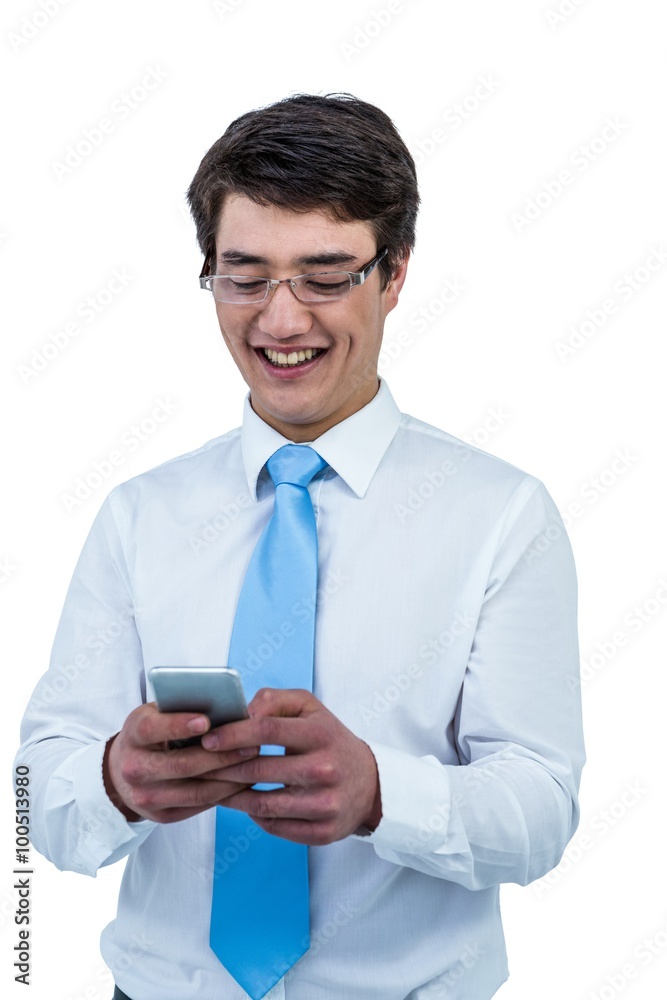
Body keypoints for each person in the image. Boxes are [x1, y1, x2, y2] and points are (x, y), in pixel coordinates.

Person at [16, 93, 585, 1000]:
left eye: (324, 277)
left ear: (393, 273)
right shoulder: (138, 515)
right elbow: (30, 798)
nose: (281, 322)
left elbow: (542, 814)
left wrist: (379, 795)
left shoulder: (500, 516)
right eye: (244, 276)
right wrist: (111, 782)